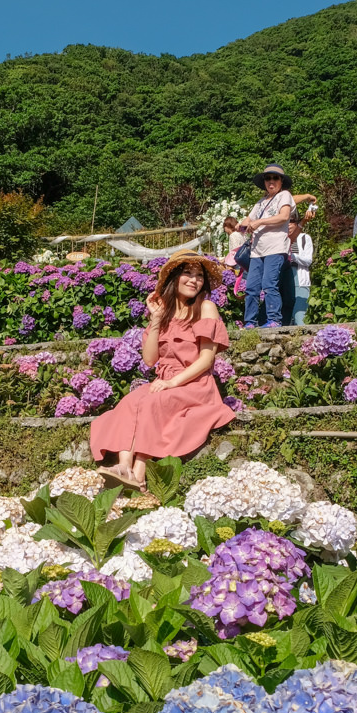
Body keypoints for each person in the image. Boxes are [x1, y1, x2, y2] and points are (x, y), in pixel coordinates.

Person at [90, 254, 234, 492]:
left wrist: (172, 383)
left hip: (195, 384)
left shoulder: (206, 308)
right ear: (175, 278)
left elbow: (206, 359)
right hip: (165, 380)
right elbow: (150, 359)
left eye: (199, 276)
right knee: (131, 401)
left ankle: (140, 476)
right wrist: (156, 320)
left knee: (153, 403)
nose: (194, 280)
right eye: (188, 273)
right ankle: (124, 466)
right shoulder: (164, 312)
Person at [236, 165, 295, 328]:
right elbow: (248, 221)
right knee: (252, 288)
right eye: (268, 178)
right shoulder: (261, 202)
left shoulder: (285, 195)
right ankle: (250, 322)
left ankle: (274, 320)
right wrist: (240, 226)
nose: (271, 181)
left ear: (281, 181)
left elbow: (283, 217)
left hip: (275, 248)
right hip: (256, 251)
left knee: (270, 285)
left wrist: (259, 222)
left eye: (275, 178)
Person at [288, 211, 314, 325]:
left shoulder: (304, 238)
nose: (289, 224)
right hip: (285, 280)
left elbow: (308, 260)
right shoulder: (280, 239)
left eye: (292, 221)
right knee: (287, 318)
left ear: (297, 223)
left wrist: (292, 256)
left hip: (300, 279)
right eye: (286, 222)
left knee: (299, 317)